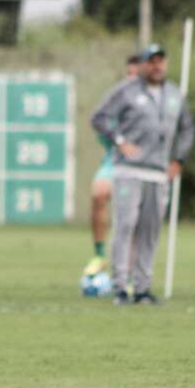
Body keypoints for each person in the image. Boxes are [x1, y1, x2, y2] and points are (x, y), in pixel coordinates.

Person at [91, 44, 195, 305]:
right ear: (144, 65)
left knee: (150, 230)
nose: (157, 66)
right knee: (125, 225)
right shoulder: (126, 91)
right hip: (129, 170)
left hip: (158, 173)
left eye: (161, 61)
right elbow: (99, 117)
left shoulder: (174, 94)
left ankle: (142, 288)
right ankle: (119, 287)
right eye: (152, 61)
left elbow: (187, 128)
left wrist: (178, 159)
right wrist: (120, 140)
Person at [83, 54, 141, 277]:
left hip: (143, 164)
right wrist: (117, 140)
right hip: (114, 160)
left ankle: (129, 270)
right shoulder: (118, 99)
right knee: (99, 193)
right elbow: (100, 124)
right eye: (129, 73)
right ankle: (99, 255)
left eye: (136, 74)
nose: (132, 78)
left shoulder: (153, 100)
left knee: (134, 216)